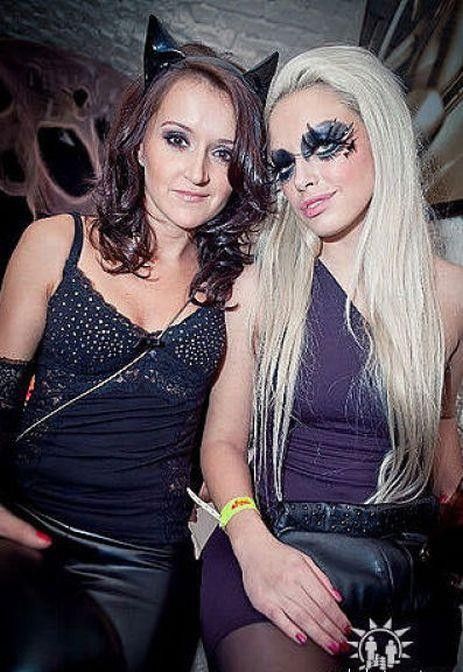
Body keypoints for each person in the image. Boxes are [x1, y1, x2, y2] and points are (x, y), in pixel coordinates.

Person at [0, 16, 277, 672]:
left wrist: (252, 536)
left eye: (223, 153)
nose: (198, 172)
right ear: (141, 143)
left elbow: (222, 445)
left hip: (142, 559)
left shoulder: (239, 290)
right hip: (24, 526)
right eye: (178, 139)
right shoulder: (53, 244)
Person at [199, 45, 463, 672]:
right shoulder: (258, 288)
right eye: (285, 164)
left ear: (380, 135)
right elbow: (222, 443)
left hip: (400, 570)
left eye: (324, 146)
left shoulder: (451, 294)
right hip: (275, 550)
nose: (303, 179)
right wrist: (252, 546)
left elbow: (441, 425)